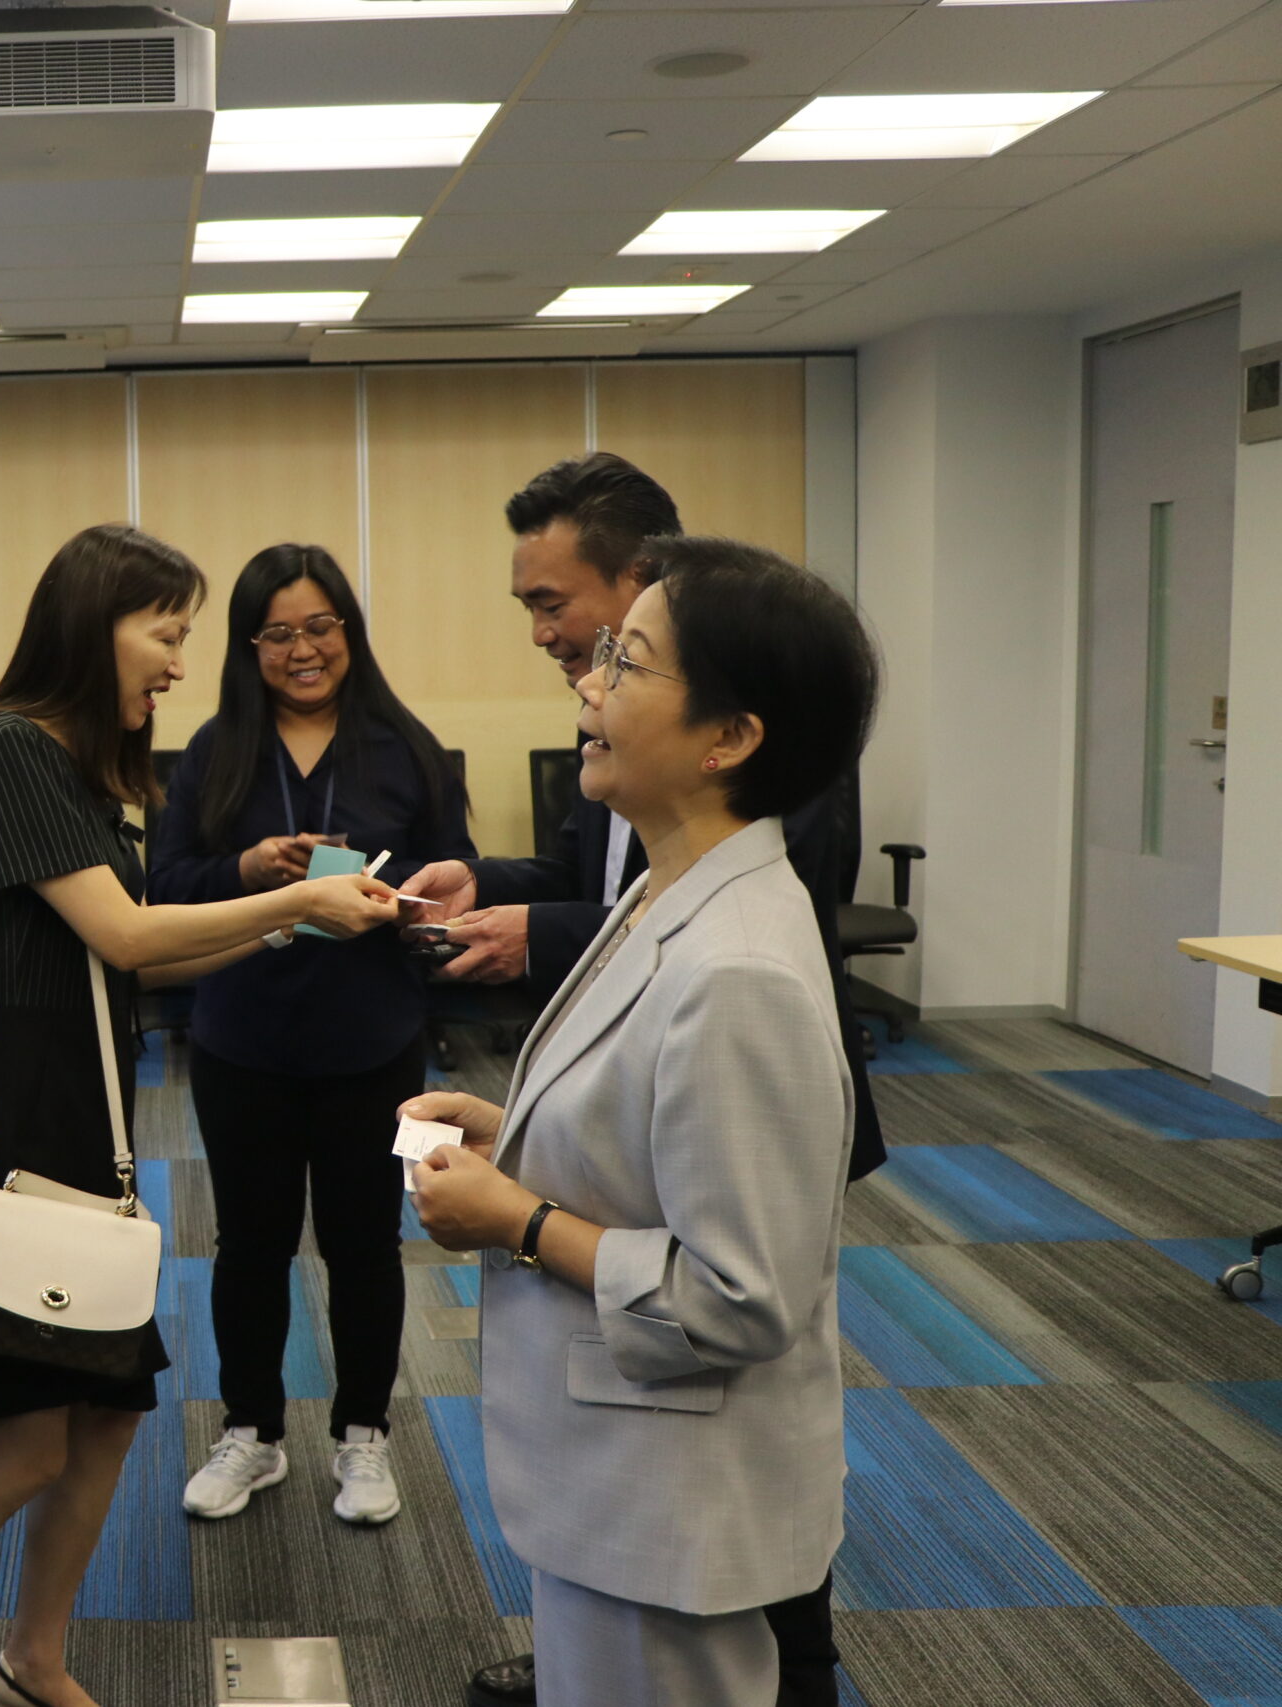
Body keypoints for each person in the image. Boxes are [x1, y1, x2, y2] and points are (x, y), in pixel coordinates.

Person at [0, 526, 398, 1707]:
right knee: (21, 1442)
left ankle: (34, 1659)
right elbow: (129, 935)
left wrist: (290, 919)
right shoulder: (10, 751)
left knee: (110, 1423)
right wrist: (297, 895)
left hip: (91, 1123)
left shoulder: (82, 769)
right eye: (165, 633)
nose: (179, 664)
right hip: (17, 1127)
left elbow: (131, 969)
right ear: (94, 625)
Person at [412, 455, 874, 1707]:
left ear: (730, 736)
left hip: (676, 1508)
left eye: (628, 662)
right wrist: (514, 1135)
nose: (587, 680)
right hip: (619, 1480)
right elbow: (661, 1140)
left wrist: (517, 1217)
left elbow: (735, 1297)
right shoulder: (671, 888)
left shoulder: (742, 968)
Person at [146, 543, 475, 1527]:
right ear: (250, 648)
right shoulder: (213, 751)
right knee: (247, 1245)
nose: (302, 649)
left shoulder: (400, 743)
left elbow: (447, 880)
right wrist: (247, 869)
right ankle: (251, 1432)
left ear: (348, 631)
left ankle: (363, 1436)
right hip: (241, 1037)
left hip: (372, 1040)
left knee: (367, 1243)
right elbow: (165, 890)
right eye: (278, 633)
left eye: (320, 626)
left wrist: (408, 906)